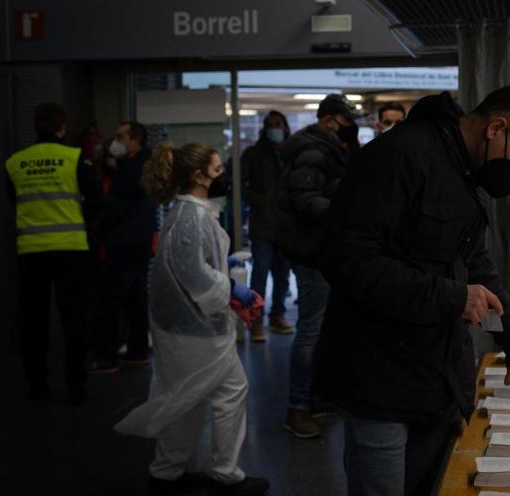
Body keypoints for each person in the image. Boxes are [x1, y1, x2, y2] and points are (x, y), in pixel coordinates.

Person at [314, 86, 510, 495]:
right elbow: (347, 260)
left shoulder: (460, 171)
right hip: (378, 382)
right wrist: (452, 297)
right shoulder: (398, 156)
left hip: (434, 381)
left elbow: (476, 265)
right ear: (496, 127)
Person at [115, 142, 269, 496]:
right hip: (194, 328)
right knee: (229, 391)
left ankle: (167, 473)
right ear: (198, 176)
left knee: (184, 397)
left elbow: (192, 267)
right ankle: (226, 477)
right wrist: (232, 288)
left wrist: (225, 275)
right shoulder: (192, 217)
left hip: (182, 327)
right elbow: (195, 275)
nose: (221, 176)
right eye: (216, 171)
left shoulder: (189, 212)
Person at [275, 93, 361, 438]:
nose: (350, 128)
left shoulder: (328, 148)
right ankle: (297, 407)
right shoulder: (313, 151)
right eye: (345, 122)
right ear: (329, 121)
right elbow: (304, 199)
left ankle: (315, 397)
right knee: (310, 329)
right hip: (309, 251)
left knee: (321, 327)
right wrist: (344, 212)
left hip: (319, 248)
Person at [5, 103, 101, 405]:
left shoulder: (15, 162)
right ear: (62, 126)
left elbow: (14, 201)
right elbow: (96, 202)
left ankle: (36, 383)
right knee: (74, 319)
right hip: (71, 248)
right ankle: (76, 384)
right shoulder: (74, 159)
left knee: (33, 319)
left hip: (30, 251)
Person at [90, 121, 157, 371]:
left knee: (109, 301)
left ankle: (106, 358)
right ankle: (138, 350)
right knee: (136, 299)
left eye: (120, 137)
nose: (114, 142)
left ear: (135, 141)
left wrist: (96, 231)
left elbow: (116, 207)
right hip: (140, 241)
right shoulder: (146, 167)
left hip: (122, 242)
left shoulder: (130, 171)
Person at [240, 110, 293, 341]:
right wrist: (260, 202)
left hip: (287, 225)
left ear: (285, 127)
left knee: (283, 275)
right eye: (271, 125)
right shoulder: (253, 154)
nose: (275, 128)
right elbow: (240, 184)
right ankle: (255, 321)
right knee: (259, 274)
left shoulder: (292, 153)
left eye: (278, 124)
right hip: (263, 225)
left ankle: (277, 316)